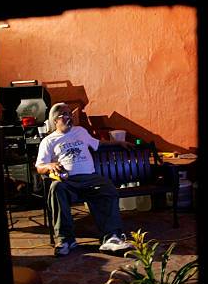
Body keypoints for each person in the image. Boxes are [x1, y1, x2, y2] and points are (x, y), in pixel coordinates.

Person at [35, 102, 135, 257]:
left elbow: (98, 144)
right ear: (55, 120)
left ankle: (111, 237)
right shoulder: (48, 141)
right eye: (65, 115)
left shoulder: (80, 131)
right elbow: (39, 167)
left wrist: (118, 142)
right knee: (56, 189)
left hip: (90, 178)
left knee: (107, 188)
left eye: (70, 114)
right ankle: (65, 239)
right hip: (68, 181)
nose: (70, 117)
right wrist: (49, 165)